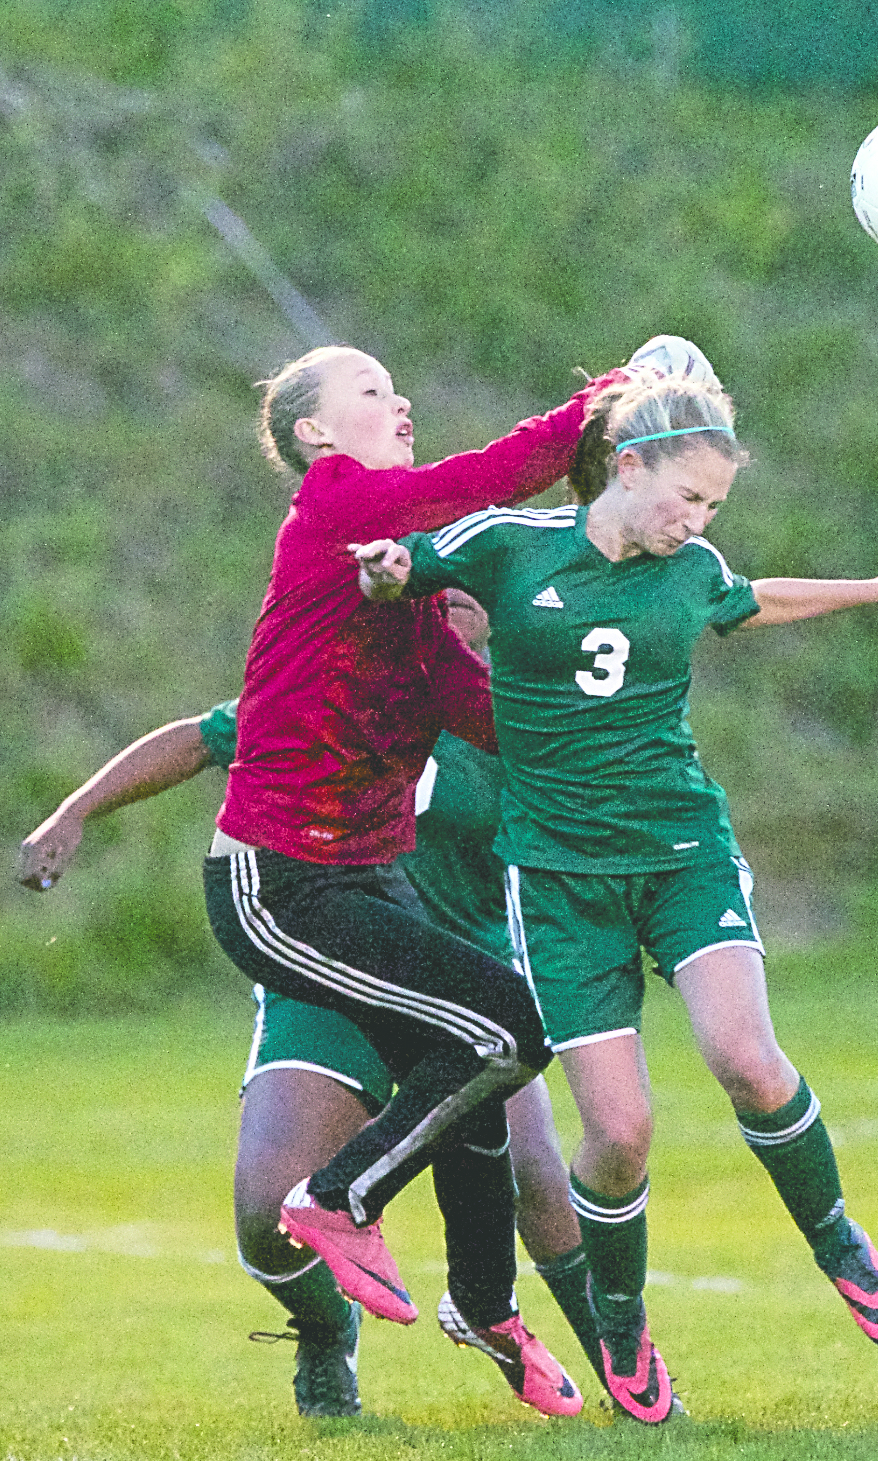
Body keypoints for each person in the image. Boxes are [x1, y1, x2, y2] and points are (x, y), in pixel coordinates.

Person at [350, 372, 878, 1422]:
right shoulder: (511, 543)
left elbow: (753, 598)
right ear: (627, 466)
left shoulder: (688, 567)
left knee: (745, 1055)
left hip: (683, 850)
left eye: (712, 509)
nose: (696, 523)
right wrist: (381, 571)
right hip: (558, 883)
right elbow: (407, 567)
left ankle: (837, 1239)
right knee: (621, 1133)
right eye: (686, 499)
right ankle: (621, 1323)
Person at [18, 594, 602, 1419]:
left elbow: (586, 836)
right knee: (265, 1214)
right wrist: (72, 813)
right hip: (329, 982)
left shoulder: (521, 714)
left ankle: (622, 1372)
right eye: (440, 578)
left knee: (536, 1175)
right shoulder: (341, 681)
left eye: (475, 576)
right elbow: (199, 738)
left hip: (458, 983)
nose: (459, 595)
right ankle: (329, 1330)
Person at [200, 338, 644, 1361]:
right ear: (315, 433)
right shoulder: (337, 499)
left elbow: (483, 715)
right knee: (501, 1032)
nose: (399, 405)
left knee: (481, 1055)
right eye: (371, 392)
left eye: (401, 391)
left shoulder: (401, 587)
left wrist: (592, 704)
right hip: (281, 883)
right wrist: (598, 405)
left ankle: (487, 1308)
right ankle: (338, 1203)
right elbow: (483, 480)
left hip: (359, 883)